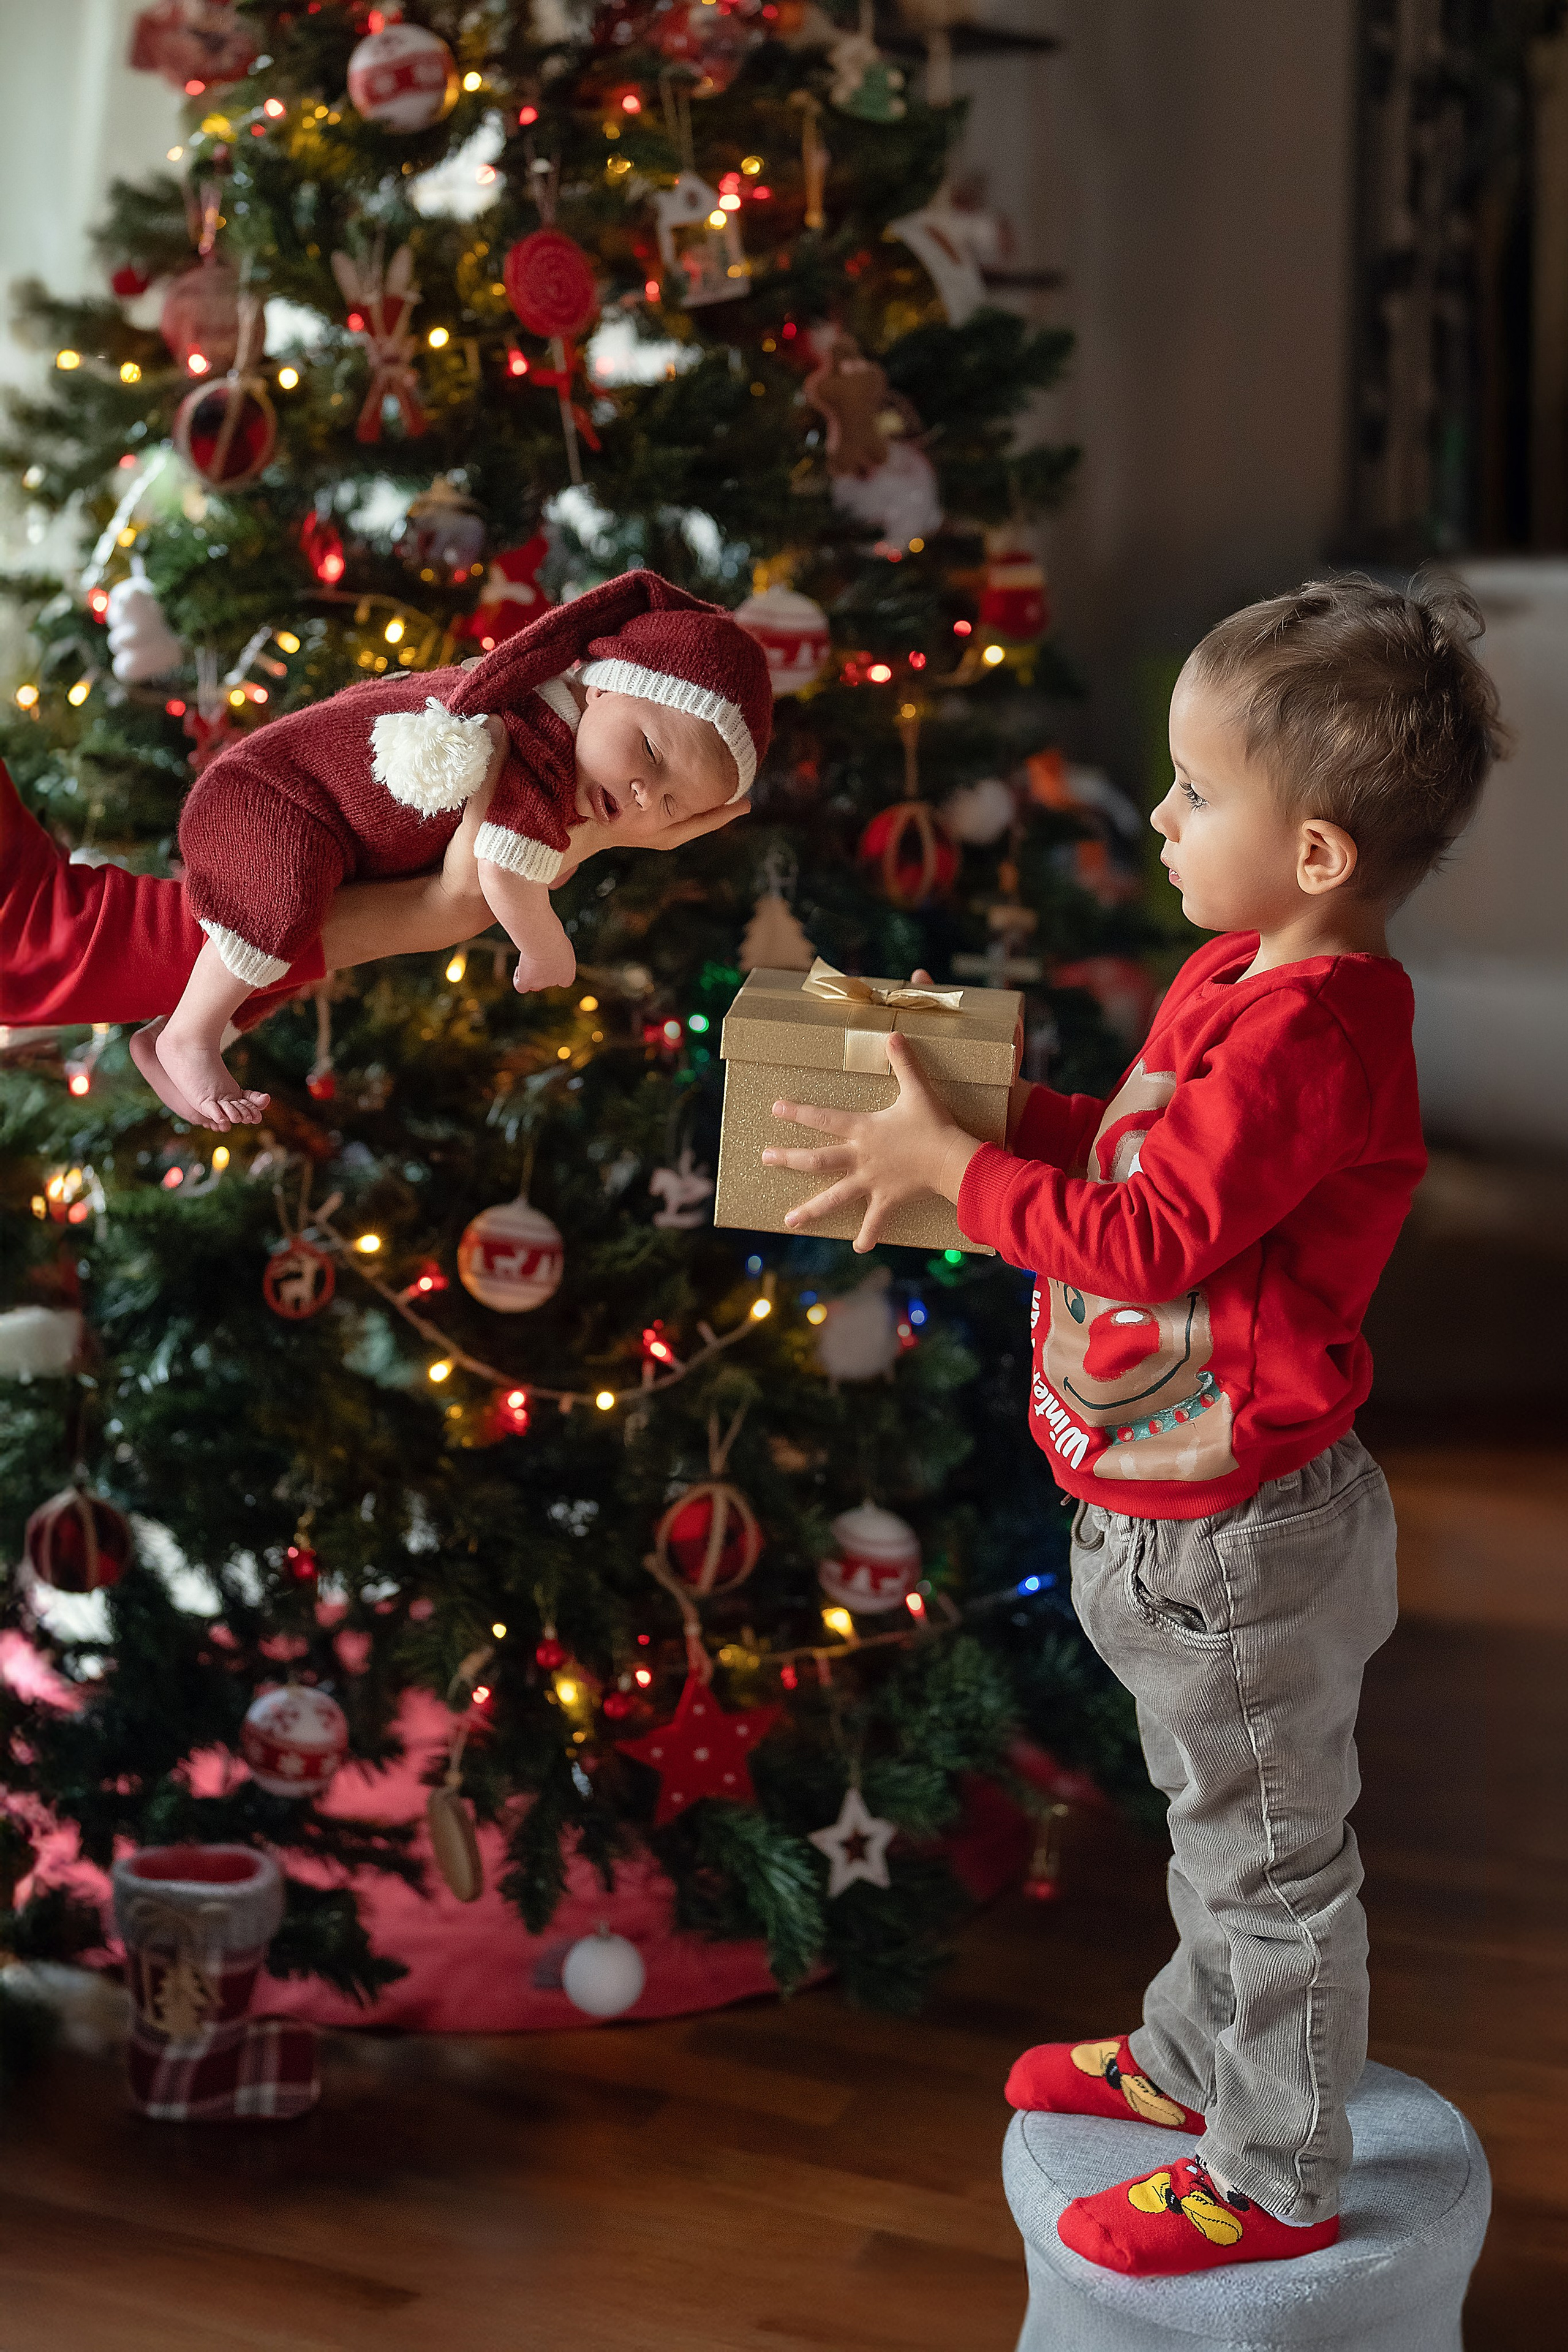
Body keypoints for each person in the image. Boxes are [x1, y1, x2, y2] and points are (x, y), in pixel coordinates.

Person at [759, 575, 1506, 2277]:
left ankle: (1274, 2165)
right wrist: (993, 1115)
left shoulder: (1316, 1034)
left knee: (1268, 1865)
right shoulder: (1241, 976)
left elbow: (1153, 1239)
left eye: (1192, 790)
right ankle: (1188, 2064)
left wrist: (959, 1178)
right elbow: (1140, 1157)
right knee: (1207, 1821)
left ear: (1319, 852)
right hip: (1177, 1517)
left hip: (1242, 1538)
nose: (1155, 815)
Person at [136, 570, 770, 1129]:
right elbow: (501, 868)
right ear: (604, 686)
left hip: (326, 833)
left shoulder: (565, 748)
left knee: (298, 940)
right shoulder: (539, 739)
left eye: (668, 806)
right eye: (650, 752)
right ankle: (191, 1036)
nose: (640, 793)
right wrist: (545, 945)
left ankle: (183, 1032)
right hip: (270, 798)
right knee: (282, 907)